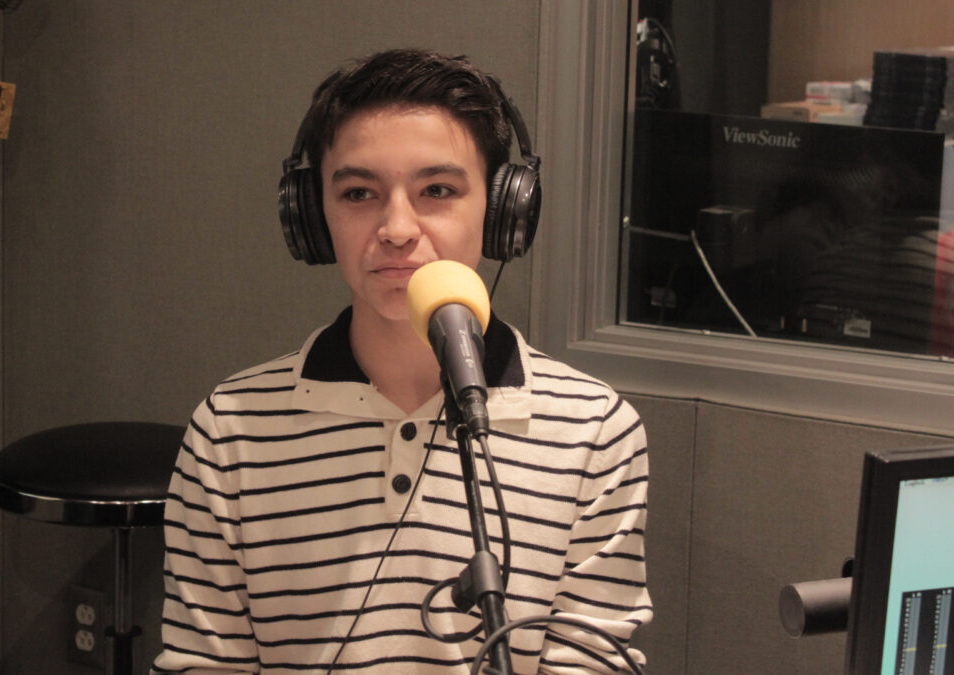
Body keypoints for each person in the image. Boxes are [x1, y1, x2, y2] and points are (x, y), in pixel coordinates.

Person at [153, 48, 652, 673]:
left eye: (437, 190)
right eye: (359, 192)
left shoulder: (596, 432)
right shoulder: (231, 432)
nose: (395, 226)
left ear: (503, 212)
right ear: (313, 216)